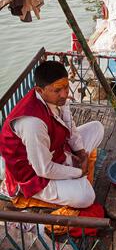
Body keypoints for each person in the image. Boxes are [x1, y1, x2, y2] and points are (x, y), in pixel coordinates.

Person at [0, 61, 104, 208]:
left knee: (97, 128)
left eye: (66, 87)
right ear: (40, 90)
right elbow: (44, 169)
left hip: (56, 150)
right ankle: (68, 181)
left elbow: (70, 125)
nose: (64, 94)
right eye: (57, 90)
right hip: (34, 174)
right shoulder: (33, 123)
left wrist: (81, 154)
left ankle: (70, 176)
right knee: (86, 197)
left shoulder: (58, 99)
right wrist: (79, 172)